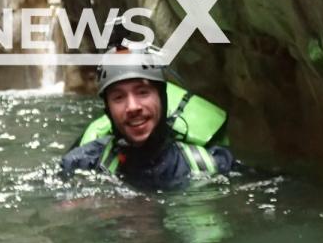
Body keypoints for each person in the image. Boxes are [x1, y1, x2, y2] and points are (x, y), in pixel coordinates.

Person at [61, 46, 236, 190]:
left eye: (143, 92)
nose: (132, 107)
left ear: (162, 98)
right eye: (119, 98)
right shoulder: (83, 163)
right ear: (108, 109)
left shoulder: (216, 164)